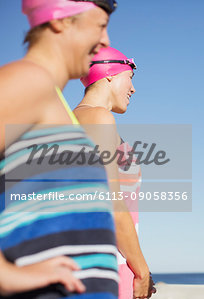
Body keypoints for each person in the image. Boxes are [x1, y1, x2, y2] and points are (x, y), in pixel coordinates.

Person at [0, 0, 119, 297]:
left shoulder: (54, 101)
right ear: (60, 21)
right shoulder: (30, 79)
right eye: (101, 26)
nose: (105, 40)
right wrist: (6, 276)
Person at [74, 46, 156, 299]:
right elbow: (111, 201)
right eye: (130, 78)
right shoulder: (99, 118)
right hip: (106, 264)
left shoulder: (69, 118)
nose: (132, 89)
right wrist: (141, 271)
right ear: (110, 74)